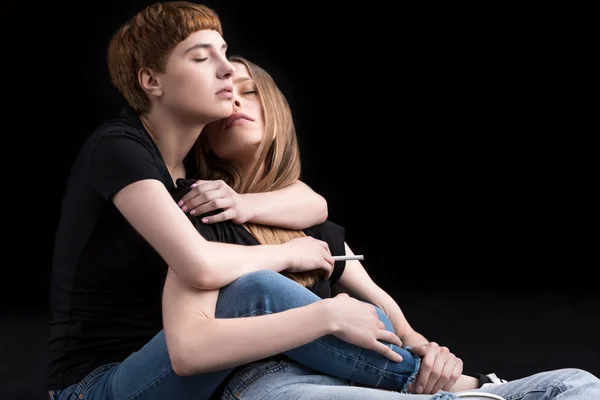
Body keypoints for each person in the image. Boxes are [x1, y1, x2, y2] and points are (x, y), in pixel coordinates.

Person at [165, 55, 600, 400]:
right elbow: (192, 341)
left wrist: (430, 351)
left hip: (366, 376)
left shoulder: (309, 221)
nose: (236, 101)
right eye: (224, 95)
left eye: (250, 91)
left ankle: (464, 390)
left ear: (275, 107)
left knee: (579, 384)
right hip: (266, 380)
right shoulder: (200, 212)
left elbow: (380, 303)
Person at [47, 2, 396, 400]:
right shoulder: (120, 149)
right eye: (201, 57)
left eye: (223, 52)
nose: (226, 68)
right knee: (253, 291)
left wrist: (247, 207)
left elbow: (313, 204)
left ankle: (436, 385)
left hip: (199, 377)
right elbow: (200, 266)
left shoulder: (189, 174)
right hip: (99, 385)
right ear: (151, 81)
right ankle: (426, 381)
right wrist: (294, 262)